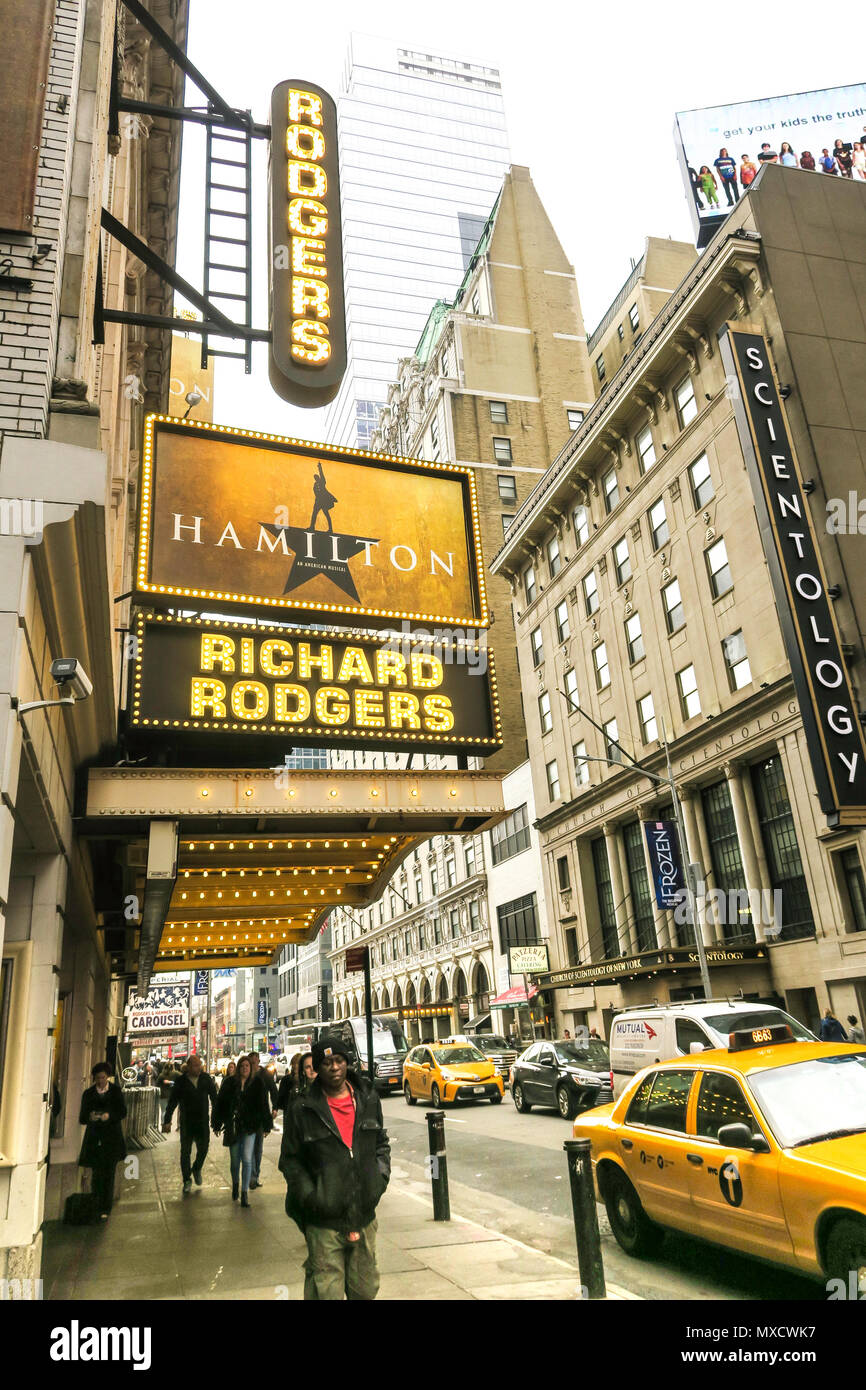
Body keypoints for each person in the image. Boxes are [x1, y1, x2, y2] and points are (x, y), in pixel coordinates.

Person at [280, 1034, 391, 1301]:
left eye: (339, 1060)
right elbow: (290, 1160)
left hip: (363, 1215)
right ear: (317, 1068)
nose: (334, 1067)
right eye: (327, 1062)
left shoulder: (368, 1100)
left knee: (365, 1290)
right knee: (325, 1292)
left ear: (347, 1063)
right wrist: (312, 1196)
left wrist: (379, 1179)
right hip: (323, 1221)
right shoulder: (302, 1108)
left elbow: (381, 1144)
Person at [213, 1055, 271, 1206]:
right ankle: (235, 1184)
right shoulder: (230, 1083)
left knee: (246, 1159)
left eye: (247, 1066)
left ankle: (244, 1192)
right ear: (238, 1068)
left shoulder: (258, 1083)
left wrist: (266, 1125)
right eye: (242, 1066)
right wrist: (217, 1123)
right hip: (233, 1127)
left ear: (250, 1068)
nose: (245, 1068)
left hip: (250, 1127)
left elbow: (264, 1105)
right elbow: (220, 1103)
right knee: (234, 1161)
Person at [162, 1054, 219, 1193]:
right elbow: (173, 1101)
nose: (198, 1068)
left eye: (199, 1065)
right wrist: (167, 1120)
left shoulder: (206, 1079)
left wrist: (216, 1118)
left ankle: (197, 1168)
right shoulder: (181, 1081)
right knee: (185, 1152)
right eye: (195, 1065)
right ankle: (186, 1179)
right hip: (187, 1122)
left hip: (202, 1121)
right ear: (188, 1067)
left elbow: (214, 1098)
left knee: (203, 1148)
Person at [79, 1062, 127, 1220]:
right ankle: (96, 1203)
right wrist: (90, 1117)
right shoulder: (88, 1094)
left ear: (108, 1077)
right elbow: (82, 1117)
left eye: (103, 1077)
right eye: (98, 1078)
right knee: (96, 1174)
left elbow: (122, 1112)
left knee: (109, 1173)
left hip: (111, 1138)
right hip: (94, 1139)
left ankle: (106, 1206)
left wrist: (109, 1116)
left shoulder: (116, 1092)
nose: (100, 1081)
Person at [247, 1051, 277, 1189]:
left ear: (258, 1061)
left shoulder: (265, 1075)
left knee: (257, 1149)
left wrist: (275, 1108)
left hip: (260, 1117)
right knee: (249, 1149)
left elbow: (273, 1092)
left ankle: (254, 1176)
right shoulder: (245, 1075)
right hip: (247, 1118)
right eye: (251, 1062)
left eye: (254, 1062)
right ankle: (251, 1176)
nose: (253, 1065)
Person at [308, 460, 337, 533]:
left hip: (323, 501)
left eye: (316, 477)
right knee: (314, 514)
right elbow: (315, 492)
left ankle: (330, 529)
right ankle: (312, 527)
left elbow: (322, 474)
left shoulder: (322, 482)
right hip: (318, 501)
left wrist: (319, 467)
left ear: (318, 477)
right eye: (315, 477)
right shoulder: (315, 485)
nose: (316, 478)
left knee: (327, 515)